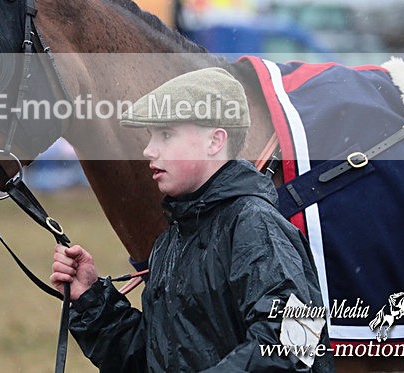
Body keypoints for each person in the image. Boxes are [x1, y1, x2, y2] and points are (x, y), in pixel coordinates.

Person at [50, 67, 332, 372]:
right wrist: (92, 301)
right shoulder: (170, 241)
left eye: (166, 135)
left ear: (215, 141)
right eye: (150, 136)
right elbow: (157, 361)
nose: (148, 150)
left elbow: (296, 345)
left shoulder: (255, 226)